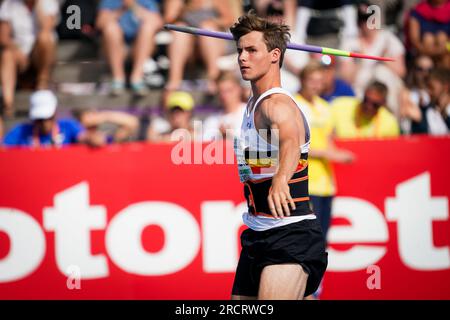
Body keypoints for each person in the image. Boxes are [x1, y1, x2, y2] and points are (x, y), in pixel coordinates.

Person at [230, 11, 328, 300]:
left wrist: (282, 179)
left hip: (291, 234)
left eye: (251, 50)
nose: (242, 58)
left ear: (275, 55)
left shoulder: (277, 105)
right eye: (239, 51)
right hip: (257, 235)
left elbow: (290, 142)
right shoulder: (252, 105)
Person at [0, 0, 60, 117]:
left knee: (45, 38)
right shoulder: (8, 4)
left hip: (40, 54)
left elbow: (46, 28)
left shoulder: (48, 2)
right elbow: (3, 37)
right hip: (18, 54)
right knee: (7, 54)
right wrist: (16, 50)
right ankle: (8, 104)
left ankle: (42, 83)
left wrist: (37, 4)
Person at [96, 0, 163, 96]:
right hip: (117, 49)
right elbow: (100, 23)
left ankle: (137, 78)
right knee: (110, 28)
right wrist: (122, 9)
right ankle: (118, 79)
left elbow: (158, 22)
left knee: (148, 28)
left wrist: (134, 7)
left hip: (140, 48)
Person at [3, 90, 105, 147]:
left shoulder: (68, 126)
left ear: (55, 113)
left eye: (48, 117)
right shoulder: (21, 131)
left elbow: (86, 137)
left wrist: (92, 138)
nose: (44, 123)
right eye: (39, 119)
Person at [331, 81, 400, 139]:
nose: (368, 106)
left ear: (383, 103)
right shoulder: (340, 106)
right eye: (366, 100)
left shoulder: (390, 123)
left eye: (375, 105)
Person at [202, 71, 246, 141]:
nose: (224, 96)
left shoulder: (250, 114)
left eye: (229, 90)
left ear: (239, 89)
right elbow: (203, 145)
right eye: (221, 91)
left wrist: (230, 136)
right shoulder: (211, 120)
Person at [410, 68, 450, 135]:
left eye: (432, 87)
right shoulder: (426, 112)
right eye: (427, 87)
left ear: (446, 87)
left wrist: (444, 115)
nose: (428, 91)